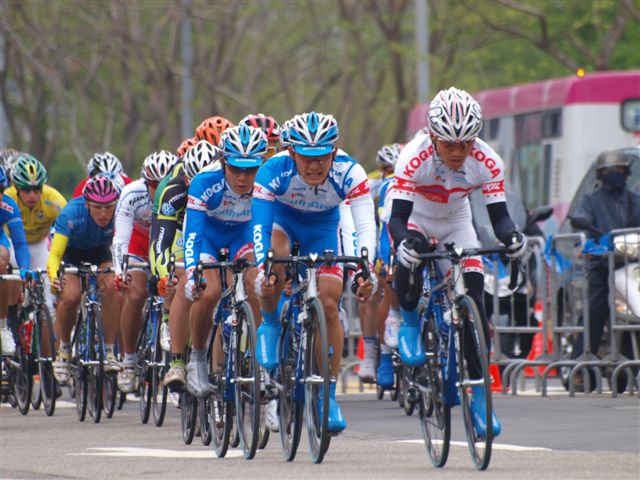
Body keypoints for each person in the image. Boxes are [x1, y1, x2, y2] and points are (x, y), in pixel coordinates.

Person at [387, 87, 527, 438]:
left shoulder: (488, 160)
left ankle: (480, 396)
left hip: (456, 220)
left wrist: (513, 239)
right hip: (416, 217)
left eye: (465, 143)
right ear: (433, 136)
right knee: (413, 250)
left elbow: (501, 220)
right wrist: (404, 243)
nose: (457, 152)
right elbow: (397, 220)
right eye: (449, 144)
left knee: (476, 305)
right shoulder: (412, 157)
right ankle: (407, 321)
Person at [252, 111, 377, 432]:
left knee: (330, 303)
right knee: (273, 260)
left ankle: (328, 395)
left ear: (333, 153)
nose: (314, 165)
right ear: (291, 152)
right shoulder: (271, 170)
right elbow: (260, 227)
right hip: (283, 224)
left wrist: (367, 269)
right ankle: (269, 323)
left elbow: (365, 225)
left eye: (322, 156)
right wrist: (264, 268)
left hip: (323, 230)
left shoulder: (350, 171)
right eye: (305, 157)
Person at [182, 125, 265, 397]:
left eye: (251, 170)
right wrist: (193, 273)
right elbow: (193, 235)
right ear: (223, 162)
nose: (243, 177)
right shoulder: (204, 182)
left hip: (242, 235)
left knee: (257, 283)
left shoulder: (266, 182)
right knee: (210, 291)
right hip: (209, 237)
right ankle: (196, 359)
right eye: (236, 169)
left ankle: (257, 357)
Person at [149, 140, 223, 388]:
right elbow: (160, 241)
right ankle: (177, 359)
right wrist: (163, 275)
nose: (197, 185)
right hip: (183, 233)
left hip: (217, 233)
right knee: (181, 277)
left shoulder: (225, 184)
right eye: (192, 179)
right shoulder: (173, 191)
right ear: (185, 176)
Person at [570, 149, 640, 389]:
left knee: (634, 312)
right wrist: (594, 241)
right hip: (601, 266)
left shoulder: (634, 199)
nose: (615, 174)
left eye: (619, 170)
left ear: (626, 173)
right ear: (600, 174)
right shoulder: (591, 200)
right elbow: (579, 221)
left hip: (630, 265)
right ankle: (580, 368)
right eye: (609, 171)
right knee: (595, 310)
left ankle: (630, 364)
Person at [112, 150, 178, 392]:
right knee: (136, 294)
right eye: (152, 184)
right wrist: (121, 270)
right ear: (145, 182)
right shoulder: (132, 194)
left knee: (178, 286)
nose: (157, 189)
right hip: (138, 247)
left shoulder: (179, 193)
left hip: (168, 244)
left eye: (163, 184)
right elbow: (120, 238)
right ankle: (128, 360)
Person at [49, 176, 122, 384]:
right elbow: (55, 254)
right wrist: (54, 277)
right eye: (98, 207)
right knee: (70, 296)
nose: (104, 213)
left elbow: (121, 247)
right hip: (71, 253)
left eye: (108, 207)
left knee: (111, 287)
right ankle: (64, 349)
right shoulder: (72, 213)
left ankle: (108, 351)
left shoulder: (118, 215)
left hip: (100, 253)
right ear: (87, 203)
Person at [0, 165, 30, 356]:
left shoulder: (8, 205)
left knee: (0, 262)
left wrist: (25, 269)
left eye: (0, 191)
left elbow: (19, 243)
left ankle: (2, 326)